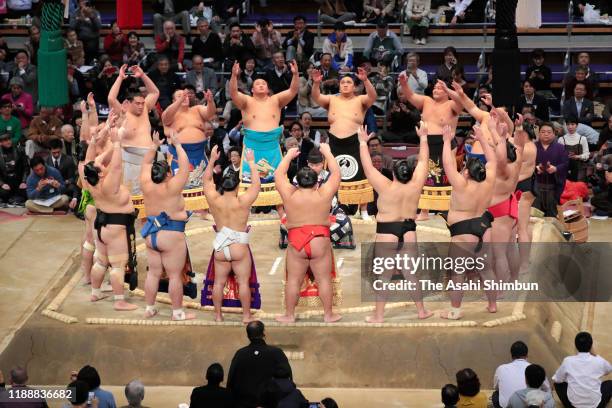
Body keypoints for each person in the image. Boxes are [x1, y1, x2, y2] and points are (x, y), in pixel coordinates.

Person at [361, 122, 433, 322]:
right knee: (411, 274)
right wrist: (424, 138)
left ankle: (379, 315)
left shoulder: (385, 186)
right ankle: (421, 311)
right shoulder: (416, 184)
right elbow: (424, 162)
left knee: (383, 276)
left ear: (392, 173)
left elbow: (367, 167)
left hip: (387, 231)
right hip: (409, 229)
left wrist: (361, 143)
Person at [275, 143, 342, 323]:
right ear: (317, 182)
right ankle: (328, 315)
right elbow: (336, 174)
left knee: (293, 281)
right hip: (320, 241)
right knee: (324, 280)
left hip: (297, 242)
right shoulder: (323, 194)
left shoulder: (290, 194)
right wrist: (328, 152)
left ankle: (289, 315)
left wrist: (288, 156)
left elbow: (278, 175)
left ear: (297, 181)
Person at [439, 124, 497, 319]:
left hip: (463, 230)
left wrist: (447, 141)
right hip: (484, 226)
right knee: (486, 269)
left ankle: (455, 311)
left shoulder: (461, 184)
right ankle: (492, 305)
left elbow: (447, 164)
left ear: (466, 172)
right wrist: (481, 138)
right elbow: (493, 159)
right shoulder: (488, 180)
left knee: (458, 273)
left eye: (464, 168)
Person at [80, 123, 138, 311]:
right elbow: (117, 167)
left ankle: (95, 292)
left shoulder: (89, 181)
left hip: (101, 226)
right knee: (117, 264)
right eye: (99, 166)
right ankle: (119, 300)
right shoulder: (109, 185)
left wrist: (106, 144)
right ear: (99, 171)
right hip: (115, 228)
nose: (101, 163)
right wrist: (118, 144)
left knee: (101, 261)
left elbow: (92, 162)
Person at [140, 131, 195, 321]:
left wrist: (154, 146)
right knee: (173, 276)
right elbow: (186, 168)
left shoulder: (146, 183)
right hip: (171, 235)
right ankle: (177, 313)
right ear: (169, 174)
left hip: (151, 234)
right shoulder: (173, 186)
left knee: (153, 273)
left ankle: (149, 308)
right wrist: (178, 145)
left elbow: (146, 163)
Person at [229, 60, 298, 204]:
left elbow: (292, 91)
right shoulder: (246, 102)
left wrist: (295, 74)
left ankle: (283, 217)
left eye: (263, 84)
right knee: (247, 185)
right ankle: (244, 217)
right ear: (252, 90)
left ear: (268, 89)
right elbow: (233, 92)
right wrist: (234, 76)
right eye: (257, 84)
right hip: (252, 149)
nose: (261, 85)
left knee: (278, 184)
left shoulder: (276, 100)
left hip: (272, 147)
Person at [203, 146, 260, 323]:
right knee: (243, 283)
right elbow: (256, 185)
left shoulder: (214, 199)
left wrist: (212, 160)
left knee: (219, 283)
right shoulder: (243, 201)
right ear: (237, 186)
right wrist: (251, 163)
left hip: (221, 247)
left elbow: (206, 180)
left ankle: (218, 315)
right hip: (239, 248)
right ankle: (245, 316)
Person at [398, 76, 463, 220]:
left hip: (445, 143)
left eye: (440, 88)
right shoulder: (426, 101)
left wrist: (449, 89)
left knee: (449, 175)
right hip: (427, 142)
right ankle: (424, 211)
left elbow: (461, 102)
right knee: (422, 174)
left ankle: (450, 210)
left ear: (447, 92)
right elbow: (411, 96)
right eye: (435, 87)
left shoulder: (452, 104)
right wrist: (404, 83)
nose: (436, 89)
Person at [311, 67, 376, 205]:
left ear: (354, 87)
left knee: (361, 173)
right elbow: (316, 97)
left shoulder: (361, 100)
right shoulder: (331, 100)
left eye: (349, 82)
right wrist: (316, 83)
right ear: (339, 86)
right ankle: (331, 205)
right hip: (334, 143)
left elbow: (372, 97)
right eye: (342, 82)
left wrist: (366, 80)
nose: (345, 84)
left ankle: (363, 209)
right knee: (331, 175)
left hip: (355, 142)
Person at [108, 64, 160, 194]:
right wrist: (120, 77)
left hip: (150, 158)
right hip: (131, 160)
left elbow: (155, 92)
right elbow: (111, 98)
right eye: (137, 103)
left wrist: (142, 75)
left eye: (142, 103)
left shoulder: (145, 110)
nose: (141, 106)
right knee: (132, 196)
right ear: (128, 103)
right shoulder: (123, 113)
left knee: (152, 194)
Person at [227, 321, 292, 407]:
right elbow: (288, 377)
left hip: (244, 403)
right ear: (263, 334)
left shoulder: (240, 354)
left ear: (248, 336)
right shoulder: (276, 353)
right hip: (270, 403)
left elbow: (231, 380)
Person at [162, 89, 216, 180]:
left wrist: (210, 101)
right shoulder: (169, 114)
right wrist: (180, 101)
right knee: (180, 184)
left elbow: (210, 114)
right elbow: (166, 118)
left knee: (203, 183)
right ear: (173, 101)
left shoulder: (197, 109)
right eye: (180, 96)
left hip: (199, 153)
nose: (184, 98)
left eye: (185, 96)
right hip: (179, 154)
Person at [553, 331, 612, 408]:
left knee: (557, 384)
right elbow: (609, 369)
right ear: (591, 346)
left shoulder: (568, 361)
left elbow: (557, 379)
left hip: (573, 405)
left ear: (576, 346)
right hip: (596, 406)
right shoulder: (598, 360)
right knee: (610, 384)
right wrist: (595, 355)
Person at [492, 341, 551, 408]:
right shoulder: (536, 369)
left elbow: (496, 387)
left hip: (507, 406)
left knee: (496, 395)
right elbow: (547, 389)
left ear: (511, 355)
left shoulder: (501, 368)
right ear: (527, 355)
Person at [514, 121, 537, 272]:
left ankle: (524, 263)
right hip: (527, 186)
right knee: (523, 226)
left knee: (521, 228)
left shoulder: (524, 148)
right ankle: (524, 260)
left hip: (521, 187)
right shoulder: (532, 145)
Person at [534, 123, 569, 217]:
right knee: (536, 215)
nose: (546, 134)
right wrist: (535, 168)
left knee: (552, 215)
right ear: (539, 133)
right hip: (536, 187)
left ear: (554, 134)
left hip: (553, 187)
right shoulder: (532, 147)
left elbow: (566, 164)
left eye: (549, 132)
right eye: (543, 132)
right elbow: (525, 164)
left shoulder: (560, 148)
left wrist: (556, 169)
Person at [47, 139, 79, 209]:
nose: (56, 154)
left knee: (74, 187)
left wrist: (65, 182)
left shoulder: (68, 160)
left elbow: (73, 178)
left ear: (61, 149)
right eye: (54, 152)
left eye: (58, 152)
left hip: (65, 185)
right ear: (50, 151)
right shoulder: (46, 161)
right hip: (51, 187)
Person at [0, 132, 27, 207]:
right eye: (5, 140)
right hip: (5, 182)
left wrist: (24, 181)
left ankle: (15, 199)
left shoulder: (20, 150)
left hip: (17, 181)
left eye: (9, 139)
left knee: (25, 191)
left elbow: (26, 167)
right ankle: (9, 200)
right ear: (1, 143)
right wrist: (2, 184)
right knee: (3, 192)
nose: (8, 141)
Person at [558, 116, 589, 182]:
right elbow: (558, 156)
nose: (570, 127)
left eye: (572, 124)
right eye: (568, 124)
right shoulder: (561, 139)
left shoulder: (583, 139)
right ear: (566, 125)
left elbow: (587, 155)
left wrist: (578, 157)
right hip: (566, 167)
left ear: (577, 125)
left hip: (580, 167)